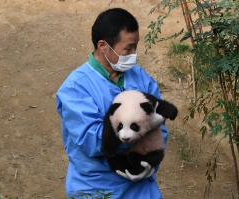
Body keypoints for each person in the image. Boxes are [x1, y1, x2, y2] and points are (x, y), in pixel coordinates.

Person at [56, 8, 168, 199]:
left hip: (141, 188)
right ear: (103, 46)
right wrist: (144, 125)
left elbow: (160, 132)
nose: (134, 54)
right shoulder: (76, 88)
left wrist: (151, 163)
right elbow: (94, 140)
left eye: (136, 46)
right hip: (96, 188)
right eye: (128, 48)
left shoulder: (141, 79)